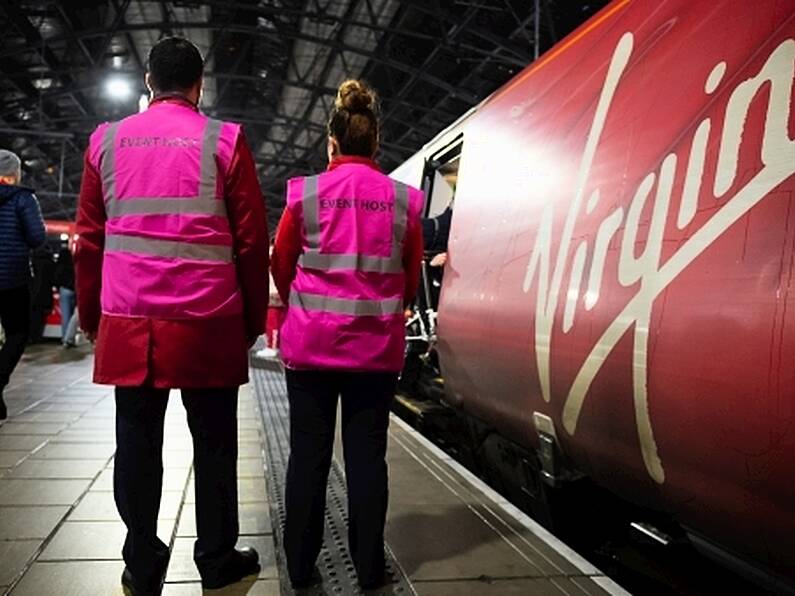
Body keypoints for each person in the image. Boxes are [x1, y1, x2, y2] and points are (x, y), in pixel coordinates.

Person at [74, 36, 270, 595]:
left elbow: (88, 241)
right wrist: (251, 320)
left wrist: (92, 316)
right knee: (214, 445)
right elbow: (252, 243)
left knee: (136, 442)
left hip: (131, 323)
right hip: (207, 322)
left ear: (148, 83)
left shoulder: (105, 142)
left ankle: (142, 560)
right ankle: (216, 556)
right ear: (199, 84)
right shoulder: (224, 140)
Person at [271, 79, 424, 590]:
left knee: (307, 458)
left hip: (310, 351)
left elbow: (281, 264)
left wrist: (307, 307)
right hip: (375, 355)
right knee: (367, 460)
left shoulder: (305, 194)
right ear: (376, 142)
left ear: (331, 143)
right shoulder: (405, 201)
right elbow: (408, 274)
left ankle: (298, 566)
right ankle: (368, 568)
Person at [0, 149, 46, 421]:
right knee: (17, 333)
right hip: (11, 277)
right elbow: (37, 237)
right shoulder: (23, 199)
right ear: (14, 173)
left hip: (12, 276)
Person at [54, 244, 76, 347]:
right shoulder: (72, 265)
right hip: (73, 291)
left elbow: (56, 278)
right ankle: (70, 338)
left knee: (66, 316)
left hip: (64, 291)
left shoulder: (59, 266)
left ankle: (65, 339)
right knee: (72, 316)